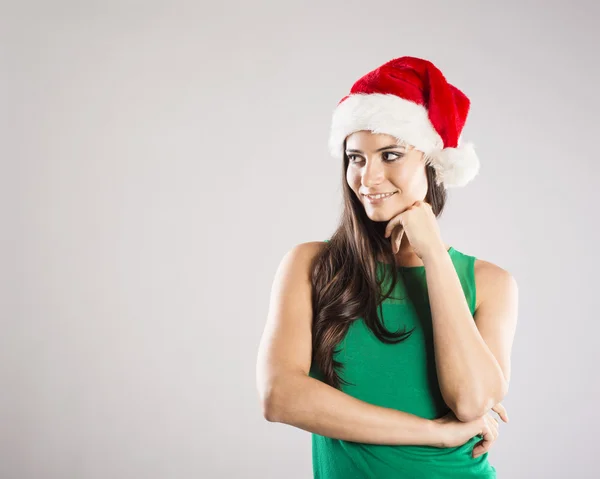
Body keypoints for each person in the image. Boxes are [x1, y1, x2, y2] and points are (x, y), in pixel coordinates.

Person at [256, 56, 518, 478]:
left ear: (432, 163)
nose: (368, 177)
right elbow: (280, 396)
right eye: (355, 158)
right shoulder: (312, 266)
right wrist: (434, 432)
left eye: (390, 155)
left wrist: (432, 252)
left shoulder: (489, 283)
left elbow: (470, 402)